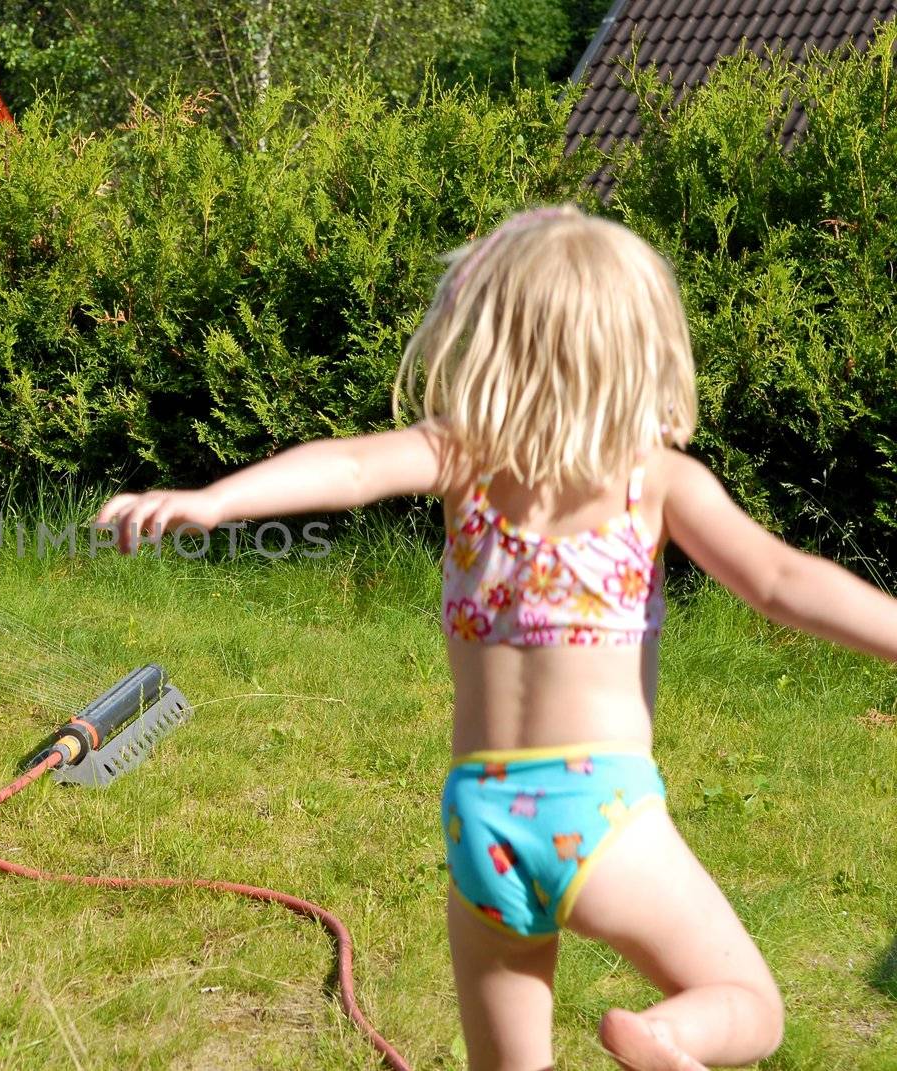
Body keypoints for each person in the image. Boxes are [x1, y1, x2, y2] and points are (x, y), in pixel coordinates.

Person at [97, 204, 897, 1069]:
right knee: (749, 1004)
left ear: (485, 341)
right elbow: (781, 582)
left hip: (481, 817)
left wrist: (215, 500)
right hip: (598, 809)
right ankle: (669, 1036)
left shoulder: (465, 459)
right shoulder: (656, 481)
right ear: (638, 351)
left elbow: (353, 468)